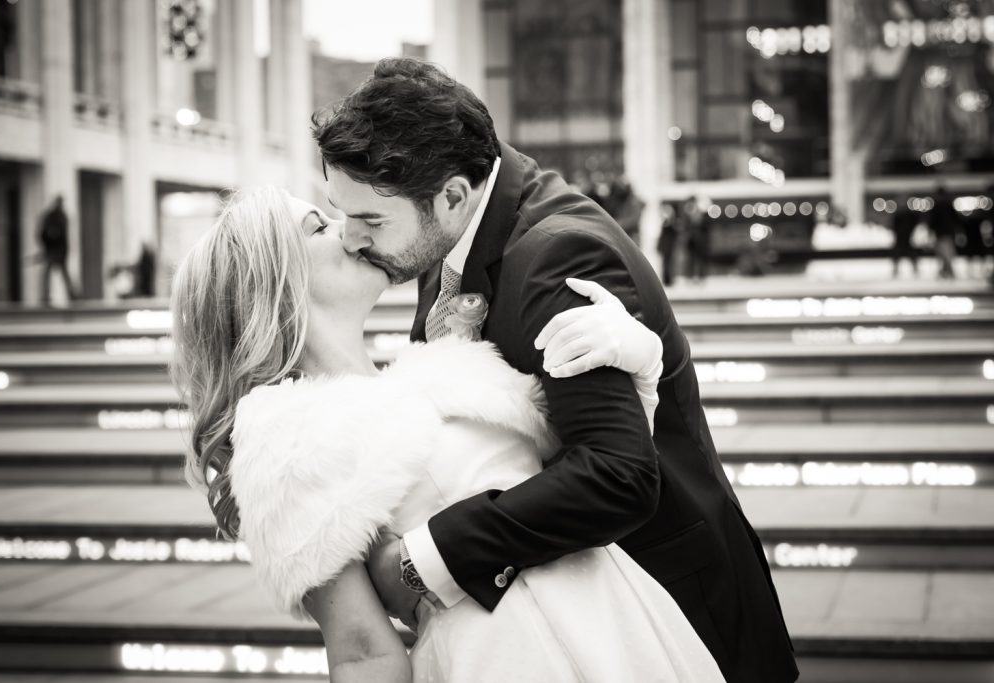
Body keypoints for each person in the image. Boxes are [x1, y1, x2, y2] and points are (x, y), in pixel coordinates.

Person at [315, 58, 797, 683]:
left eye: (371, 221)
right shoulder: (448, 233)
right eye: (342, 213)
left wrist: (421, 560)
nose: (350, 238)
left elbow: (617, 476)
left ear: (453, 196)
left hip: (664, 615)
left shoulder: (558, 256)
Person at [171, 186, 724, 682]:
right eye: (318, 226)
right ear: (271, 285)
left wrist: (643, 366)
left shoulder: (442, 364)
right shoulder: (283, 438)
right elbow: (362, 654)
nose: (352, 231)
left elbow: (590, 475)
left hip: (622, 626)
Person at [37, 195, 77, 304]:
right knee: (48, 272)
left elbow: (64, 236)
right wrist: (47, 246)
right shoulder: (50, 217)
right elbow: (43, 233)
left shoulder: (62, 216)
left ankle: (71, 294)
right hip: (52, 249)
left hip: (61, 249)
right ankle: (45, 295)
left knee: (63, 272)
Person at [930, 186, 959, 279]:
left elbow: (933, 222)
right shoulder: (948, 206)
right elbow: (956, 220)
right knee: (945, 253)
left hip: (943, 233)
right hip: (946, 233)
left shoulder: (940, 207)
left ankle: (948, 271)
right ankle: (946, 271)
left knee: (945, 253)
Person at [679, 195, 709, 282]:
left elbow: (702, 225)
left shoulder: (700, 211)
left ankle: (700, 277)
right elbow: (685, 227)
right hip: (691, 241)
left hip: (699, 241)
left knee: (699, 259)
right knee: (690, 259)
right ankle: (690, 277)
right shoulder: (687, 213)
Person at [890, 195, 919, 277]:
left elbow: (913, 223)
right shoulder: (900, 214)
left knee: (907, 252)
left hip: (906, 236)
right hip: (901, 236)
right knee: (899, 253)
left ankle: (914, 268)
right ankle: (896, 269)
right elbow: (894, 225)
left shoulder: (907, 214)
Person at [656, 201, 680, 285]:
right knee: (666, 263)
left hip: (668, 247)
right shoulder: (667, 224)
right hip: (666, 247)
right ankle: (667, 280)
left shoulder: (670, 225)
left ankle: (668, 279)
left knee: (668, 263)